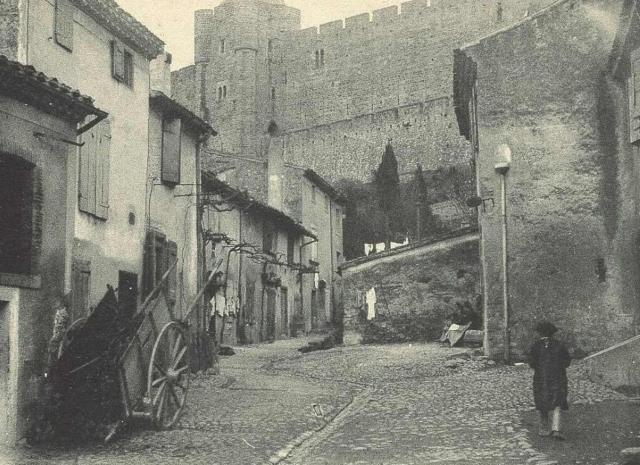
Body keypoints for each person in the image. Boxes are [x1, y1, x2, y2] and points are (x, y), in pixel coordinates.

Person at [528, 321, 571, 440]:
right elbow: (567, 361)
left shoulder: (536, 346)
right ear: (552, 333)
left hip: (542, 379)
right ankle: (556, 429)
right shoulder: (559, 345)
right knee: (557, 402)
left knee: (542, 402)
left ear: (540, 333)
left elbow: (532, 363)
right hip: (558, 378)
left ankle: (543, 428)